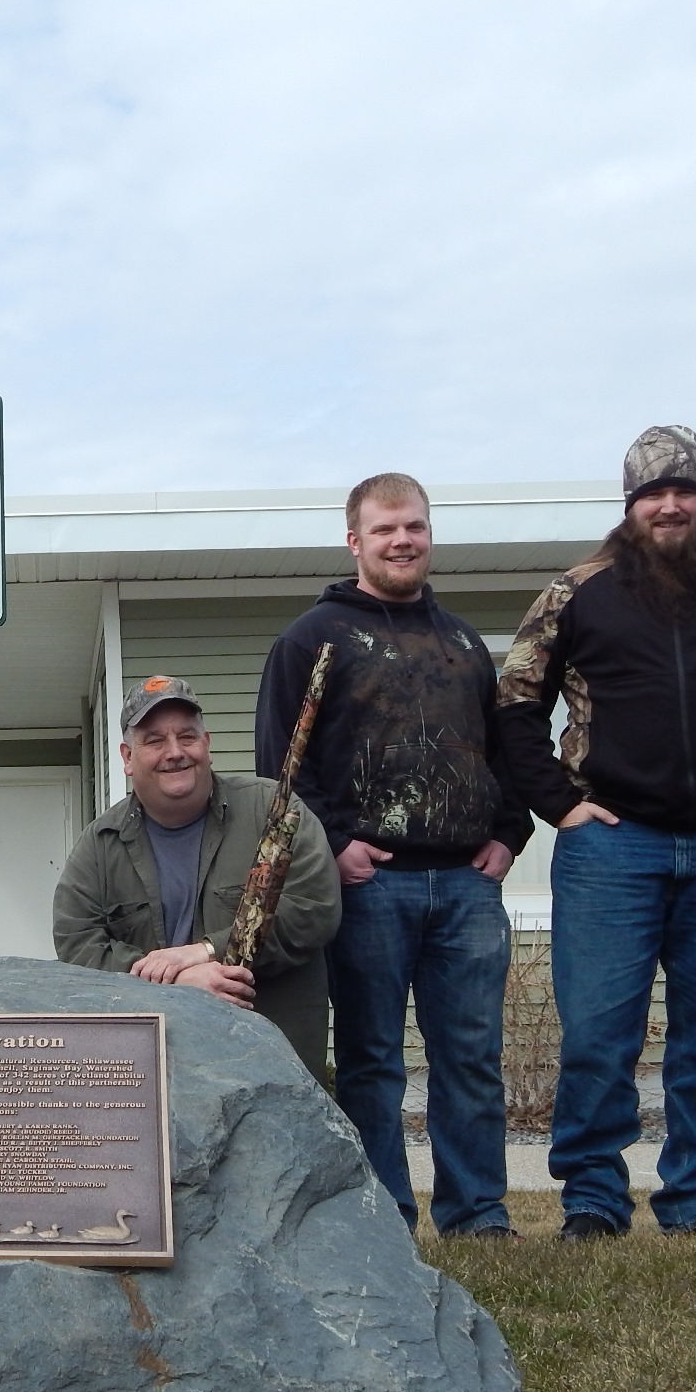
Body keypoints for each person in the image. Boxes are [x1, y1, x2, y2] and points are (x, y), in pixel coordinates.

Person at [496, 427, 696, 1241]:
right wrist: (561, 803)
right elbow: (514, 705)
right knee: (599, 1035)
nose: (670, 504)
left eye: (684, 490)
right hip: (612, 846)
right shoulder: (576, 592)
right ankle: (591, 1198)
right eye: (653, 493)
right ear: (630, 505)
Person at [255, 473, 532, 1239]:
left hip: (469, 887)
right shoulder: (314, 638)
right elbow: (282, 764)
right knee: (373, 1063)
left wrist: (510, 834)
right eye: (384, 530)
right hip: (370, 889)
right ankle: (385, 1220)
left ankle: (478, 1214)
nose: (401, 541)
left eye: (413, 527)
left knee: (471, 1059)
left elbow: (506, 749)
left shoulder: (466, 643)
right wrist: (335, 845)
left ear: (428, 534)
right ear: (355, 541)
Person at [53, 677, 340, 1074]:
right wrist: (175, 986)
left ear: (206, 743)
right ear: (127, 757)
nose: (174, 753)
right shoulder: (99, 846)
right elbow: (78, 944)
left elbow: (314, 908)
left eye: (187, 736)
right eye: (154, 741)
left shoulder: (274, 811)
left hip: (269, 1061)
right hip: (156, 1067)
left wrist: (206, 950)